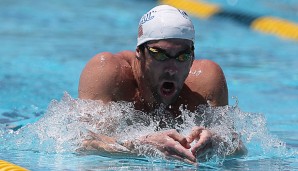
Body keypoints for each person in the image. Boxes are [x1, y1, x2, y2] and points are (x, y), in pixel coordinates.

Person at [78, 5, 246, 165]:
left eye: (182, 56)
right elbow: (84, 142)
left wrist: (218, 142)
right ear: (139, 52)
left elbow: (238, 149)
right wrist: (142, 145)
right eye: (160, 55)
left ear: (192, 57)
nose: (172, 69)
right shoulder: (108, 73)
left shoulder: (205, 82)